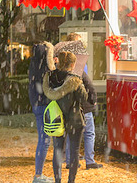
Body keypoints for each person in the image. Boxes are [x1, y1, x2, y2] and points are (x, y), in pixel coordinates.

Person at [43, 51, 87, 183]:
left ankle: (57, 180)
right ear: (72, 64)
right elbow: (84, 98)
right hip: (74, 120)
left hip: (56, 119)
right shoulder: (74, 80)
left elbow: (46, 97)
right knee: (74, 151)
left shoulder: (49, 78)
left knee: (57, 150)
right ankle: (71, 180)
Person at [28, 41, 56, 183]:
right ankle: (38, 176)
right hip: (45, 105)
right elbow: (51, 87)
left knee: (43, 139)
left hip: (37, 104)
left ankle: (38, 174)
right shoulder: (46, 70)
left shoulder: (34, 66)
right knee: (45, 140)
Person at [64, 71, 102, 170]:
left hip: (69, 110)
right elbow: (90, 87)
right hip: (84, 108)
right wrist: (93, 100)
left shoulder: (60, 73)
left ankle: (70, 161)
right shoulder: (79, 72)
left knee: (70, 135)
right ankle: (90, 161)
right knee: (89, 134)